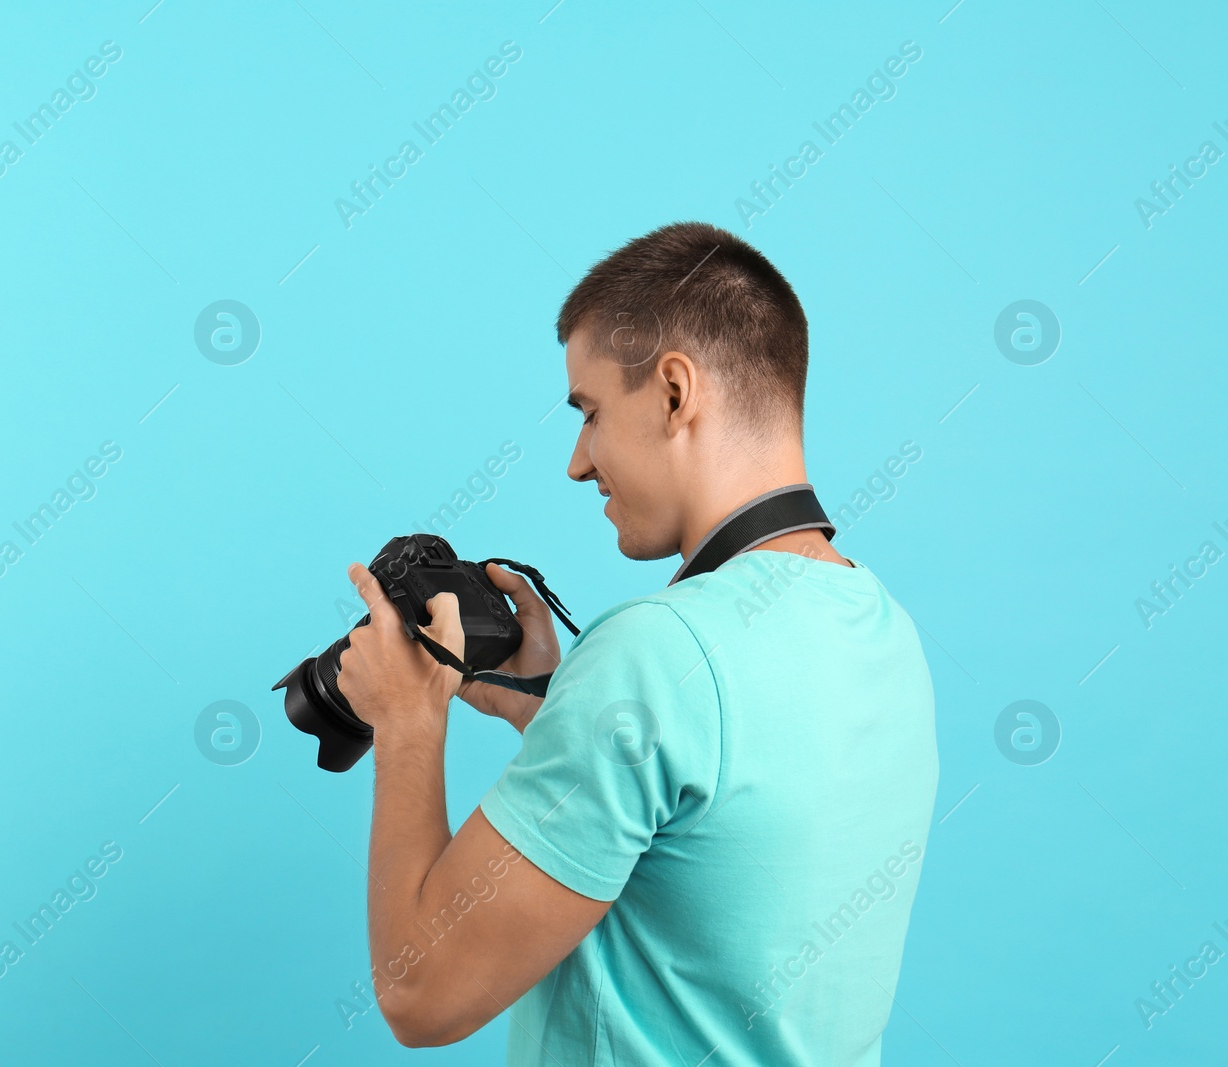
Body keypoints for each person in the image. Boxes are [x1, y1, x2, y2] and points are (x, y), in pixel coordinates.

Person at [335, 221, 938, 1065]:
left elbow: (420, 992)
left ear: (675, 393)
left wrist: (405, 722)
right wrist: (554, 707)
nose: (578, 463)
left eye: (588, 412)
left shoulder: (654, 655)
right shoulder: (881, 627)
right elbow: (717, 837)